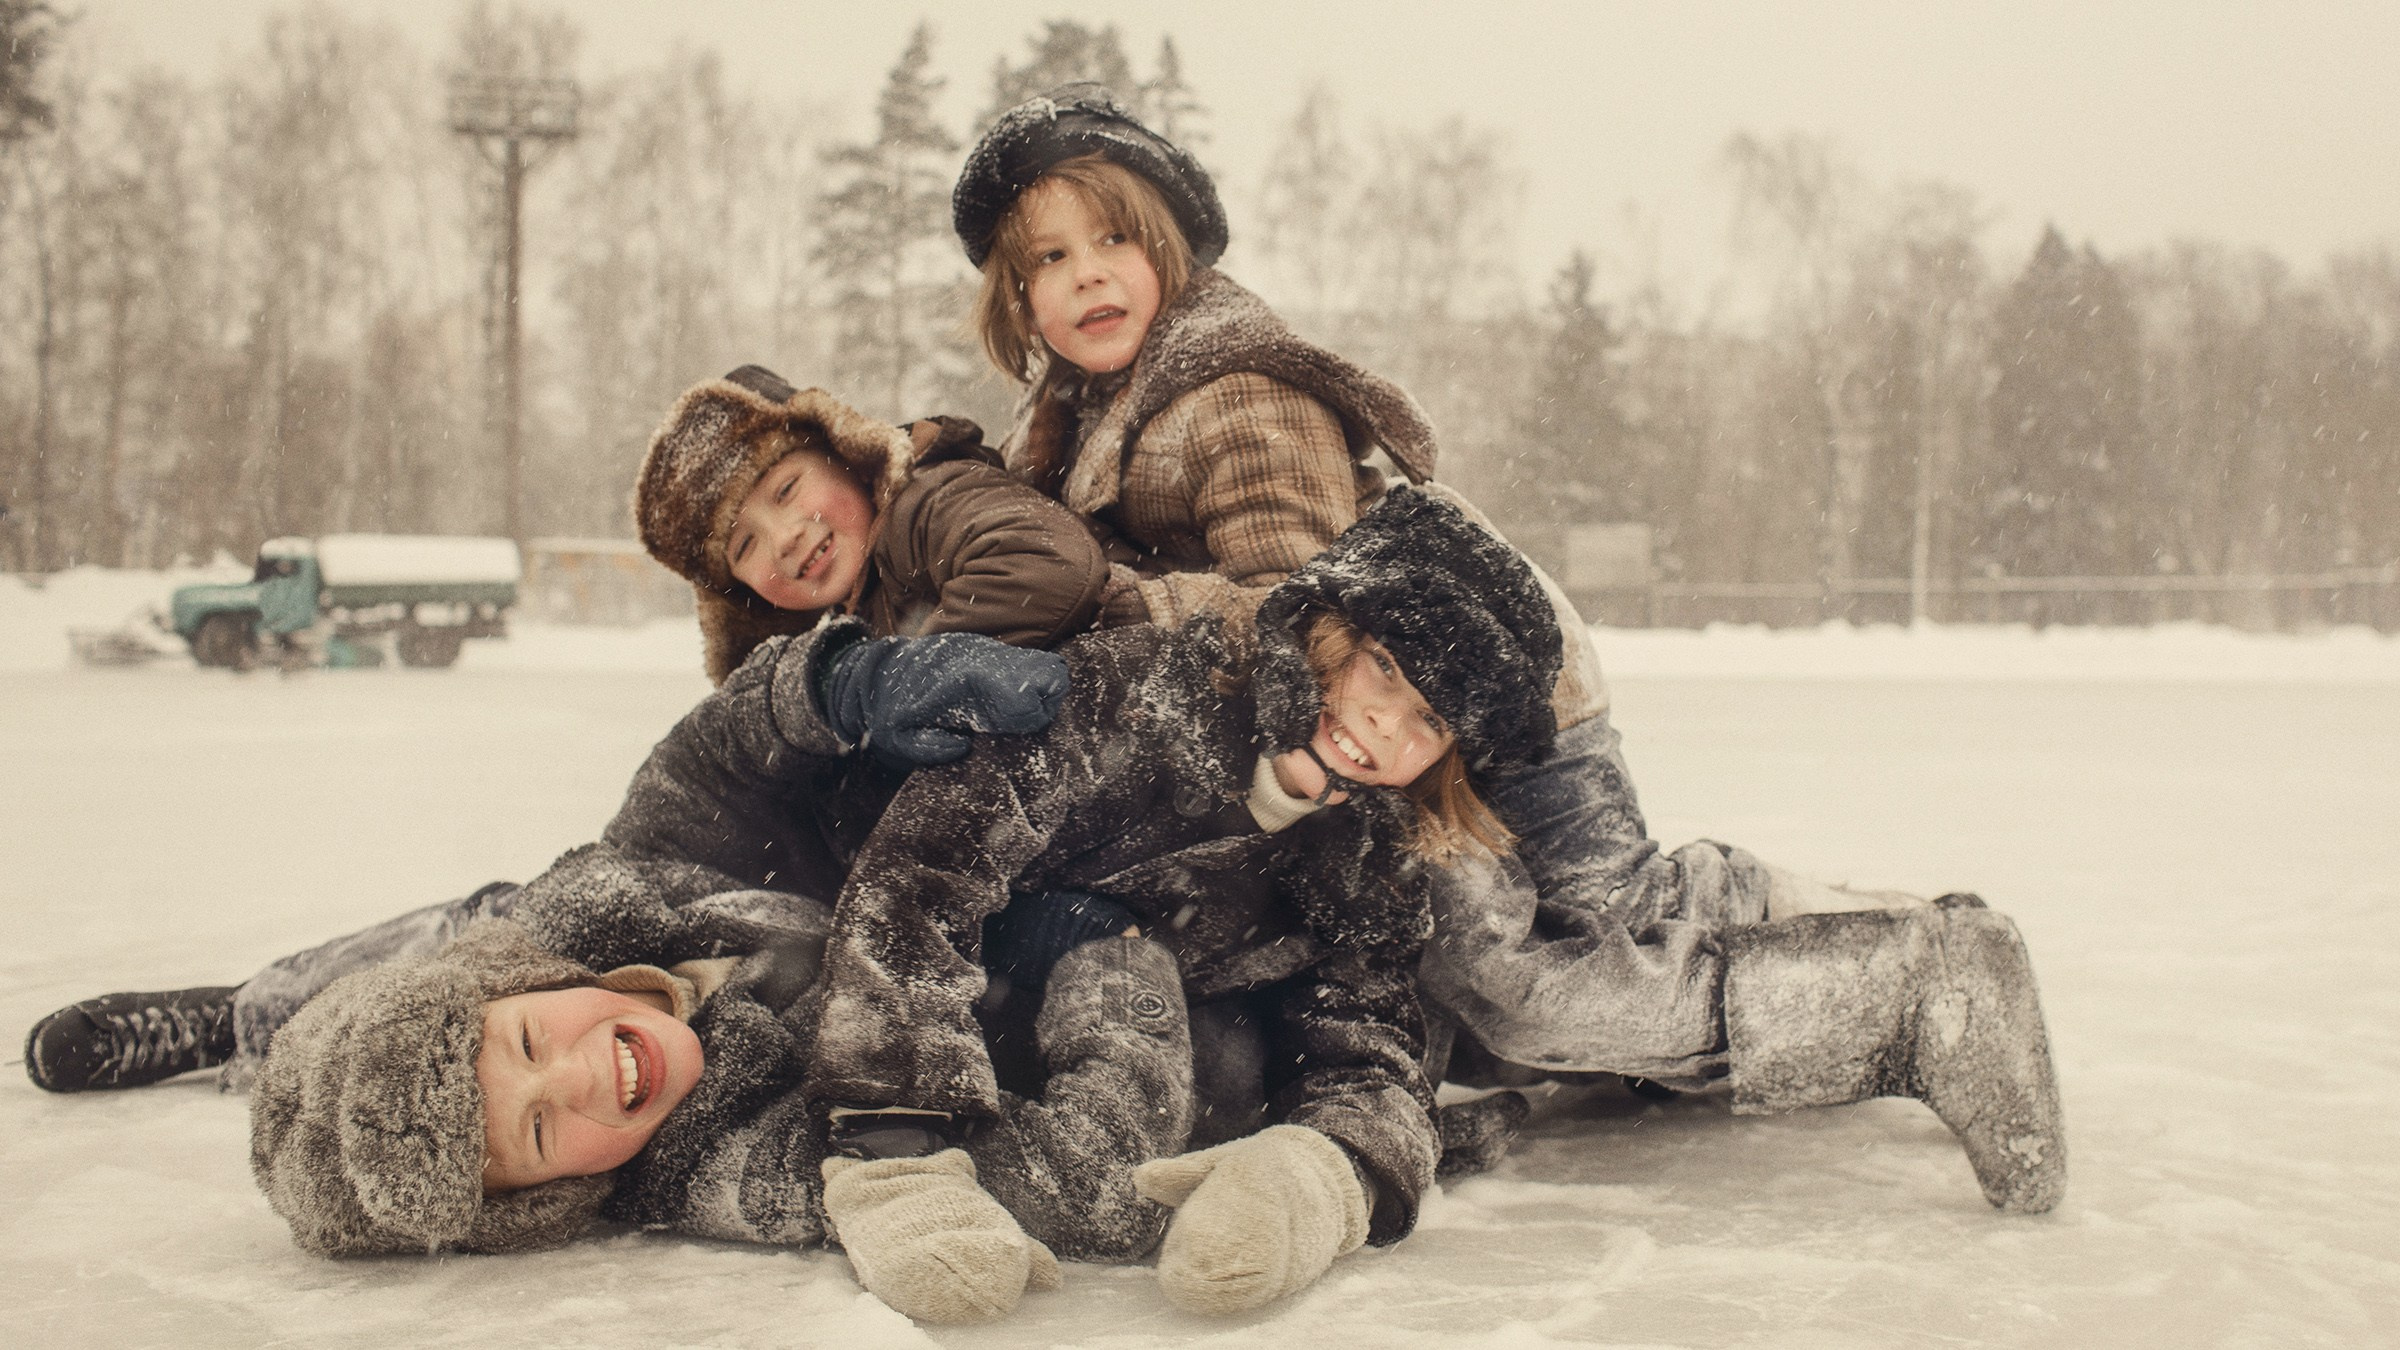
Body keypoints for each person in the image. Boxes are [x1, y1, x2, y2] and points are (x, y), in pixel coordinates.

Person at [949, 83, 2065, 1216]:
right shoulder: (1076, 421)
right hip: (1399, 706)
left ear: (1172, 249)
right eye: (1049, 258)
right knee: (1591, 923)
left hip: (1469, 685)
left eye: (1115, 240)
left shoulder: (1233, 394)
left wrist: (1109, 606)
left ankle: (1914, 992)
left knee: (1518, 978)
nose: (1086, 275)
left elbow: (1298, 605)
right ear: (1016, 294)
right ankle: (1843, 918)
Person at [23, 372, 1096, 1095]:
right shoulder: (821, 627)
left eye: (785, 489)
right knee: (556, 916)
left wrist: (910, 686)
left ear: (837, 451)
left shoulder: (925, 503)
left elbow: (1041, 568)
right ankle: (255, 1019)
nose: (791, 536)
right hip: (830, 872)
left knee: (631, 975)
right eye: (747, 545)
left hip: (944, 895)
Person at [805, 486, 1567, 1316]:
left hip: (1120, 1060)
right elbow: (919, 882)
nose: (1387, 723)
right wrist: (896, 1145)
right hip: (908, 999)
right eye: (1383, 667)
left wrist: (1324, 1172)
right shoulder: (1133, 695)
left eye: (1429, 720)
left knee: (1230, 1074)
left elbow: (1367, 1045)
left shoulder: (1370, 862)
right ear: (1324, 626)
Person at [247, 888, 1190, 1326]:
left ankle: (236, 1014)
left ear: (523, 981)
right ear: (547, 1201)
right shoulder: (749, 1165)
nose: (576, 1079)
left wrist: (826, 688)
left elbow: (724, 760)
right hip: (1185, 981)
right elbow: (1097, 1186)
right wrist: (1109, 955)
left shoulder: (615, 912)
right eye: (538, 1131)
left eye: (530, 1043)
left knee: (484, 900)